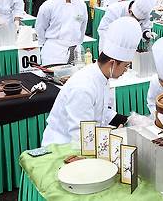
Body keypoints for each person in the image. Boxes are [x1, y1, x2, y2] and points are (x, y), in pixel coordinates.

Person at [41, 16, 142, 146]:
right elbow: (80, 136)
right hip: (62, 147)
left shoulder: (101, 76)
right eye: (126, 66)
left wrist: (128, 120)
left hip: (84, 140)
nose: (126, 70)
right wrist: (110, 137)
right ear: (112, 63)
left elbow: (101, 110)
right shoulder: (84, 87)